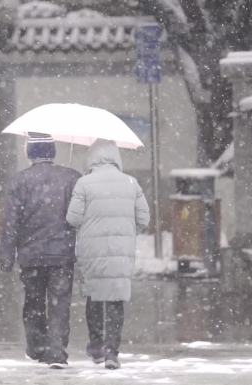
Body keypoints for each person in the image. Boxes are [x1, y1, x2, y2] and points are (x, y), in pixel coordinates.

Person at [0, 132, 81, 369]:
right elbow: (79, 216)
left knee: (33, 303)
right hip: (62, 254)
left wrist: (7, 255)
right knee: (60, 304)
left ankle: (37, 348)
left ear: (30, 153)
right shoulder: (71, 178)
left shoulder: (19, 181)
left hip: (31, 255)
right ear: (52, 152)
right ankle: (57, 353)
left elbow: (11, 223)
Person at [66, 139, 150, 370]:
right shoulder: (131, 183)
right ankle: (112, 351)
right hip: (121, 251)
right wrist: (127, 231)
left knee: (94, 295)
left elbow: (72, 219)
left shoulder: (84, 183)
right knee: (115, 299)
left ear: (91, 157)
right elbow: (144, 219)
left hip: (91, 250)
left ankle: (96, 347)